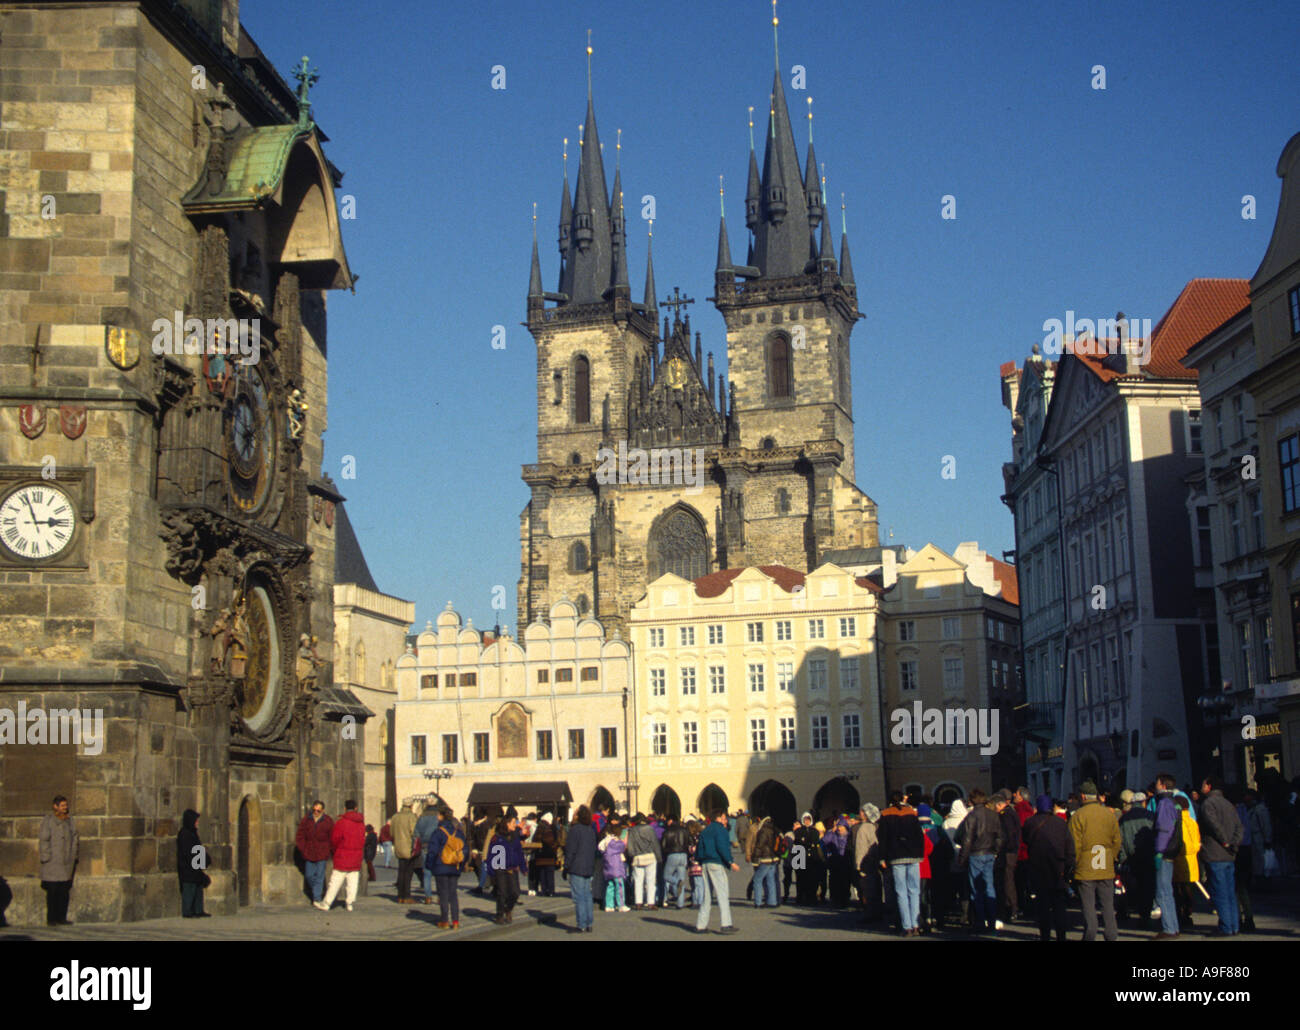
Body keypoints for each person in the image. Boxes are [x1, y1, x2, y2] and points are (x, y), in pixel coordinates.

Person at [1069, 780, 1121, 942]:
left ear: (1082, 796)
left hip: (1085, 866)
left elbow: (1074, 844)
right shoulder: (1109, 814)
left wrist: (1074, 864)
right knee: (1107, 904)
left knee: (1088, 905)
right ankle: (1111, 934)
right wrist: (1112, 856)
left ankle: (1090, 933)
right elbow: (1117, 840)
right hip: (1105, 864)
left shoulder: (1077, 816)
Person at [1022, 793, 1072, 941]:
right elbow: (1069, 847)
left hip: (1038, 868)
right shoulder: (1061, 823)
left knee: (1043, 905)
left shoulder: (1030, 823)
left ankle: (1045, 935)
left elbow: (1025, 840)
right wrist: (1069, 867)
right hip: (1058, 868)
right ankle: (1061, 936)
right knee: (1059, 906)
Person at [1199, 775, 1243, 937]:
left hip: (1214, 852)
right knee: (1230, 892)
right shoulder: (1228, 804)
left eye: (1203, 783)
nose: (1201, 786)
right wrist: (1234, 844)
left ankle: (1225, 926)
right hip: (1229, 855)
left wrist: (1225, 841)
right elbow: (1239, 826)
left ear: (1209, 786)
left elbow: (1212, 824)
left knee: (1219, 892)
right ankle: (1234, 925)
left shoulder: (1208, 804)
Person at [878, 790, 925, 936]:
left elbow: (883, 838)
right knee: (915, 891)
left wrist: (882, 857)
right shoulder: (911, 812)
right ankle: (916, 924)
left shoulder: (886, 814)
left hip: (896, 856)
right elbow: (919, 835)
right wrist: (920, 853)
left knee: (901, 892)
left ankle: (907, 926)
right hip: (913, 856)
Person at [955, 788, 1002, 933]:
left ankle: (980, 922)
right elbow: (1000, 836)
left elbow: (966, 839)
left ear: (972, 801)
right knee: (989, 887)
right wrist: (995, 851)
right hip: (989, 853)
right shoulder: (993, 815)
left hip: (976, 854)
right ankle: (992, 922)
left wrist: (962, 858)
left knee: (976, 890)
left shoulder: (972, 816)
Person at [315, 800, 365, 911]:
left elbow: (335, 839)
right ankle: (350, 903)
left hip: (342, 854)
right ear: (356, 808)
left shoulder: (341, 823)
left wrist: (335, 851)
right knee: (353, 880)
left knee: (336, 880)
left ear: (345, 808)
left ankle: (327, 903)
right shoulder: (361, 823)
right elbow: (362, 840)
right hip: (356, 855)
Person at [696, 809, 739, 934]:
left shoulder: (705, 830)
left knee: (706, 896)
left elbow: (699, 847)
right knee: (722, 893)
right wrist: (730, 862)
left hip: (705, 863)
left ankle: (701, 925)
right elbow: (722, 847)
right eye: (724, 818)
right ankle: (726, 924)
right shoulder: (720, 830)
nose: (726, 820)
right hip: (716, 862)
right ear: (718, 818)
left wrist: (700, 861)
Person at [1152, 773, 1183, 939]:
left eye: (1157, 783)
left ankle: (1168, 928)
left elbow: (1163, 829)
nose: (1155, 786)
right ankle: (1174, 926)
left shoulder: (1163, 803)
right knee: (1168, 891)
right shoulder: (1175, 802)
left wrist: (1158, 851)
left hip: (1164, 852)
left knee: (1162, 891)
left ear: (1163, 785)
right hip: (1173, 851)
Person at [1118, 791, 1155, 928]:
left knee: (1135, 887)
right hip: (1148, 856)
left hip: (1131, 858)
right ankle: (1145, 914)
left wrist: (1122, 858)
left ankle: (1139, 911)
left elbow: (1120, 842)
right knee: (1148, 886)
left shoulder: (1124, 818)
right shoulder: (1151, 816)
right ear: (1144, 802)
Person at [426, 807, 466, 929]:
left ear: (441, 816)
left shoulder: (438, 832)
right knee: (453, 894)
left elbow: (432, 851)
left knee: (443, 893)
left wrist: (429, 865)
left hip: (441, 866)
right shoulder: (458, 832)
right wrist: (461, 865)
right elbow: (465, 851)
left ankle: (444, 920)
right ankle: (455, 921)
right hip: (454, 866)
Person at [564, 805, 599, 932]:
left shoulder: (575, 830)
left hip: (576, 867)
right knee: (587, 896)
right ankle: (589, 923)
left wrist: (566, 867)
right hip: (588, 867)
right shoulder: (590, 830)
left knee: (579, 897)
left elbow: (570, 851)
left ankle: (582, 924)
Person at [488, 814, 526, 924]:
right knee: (502, 893)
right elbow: (492, 855)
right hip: (500, 869)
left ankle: (508, 909)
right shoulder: (497, 838)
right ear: (507, 824)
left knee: (515, 893)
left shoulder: (515, 837)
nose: (516, 825)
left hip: (512, 868)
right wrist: (491, 871)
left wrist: (523, 867)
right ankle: (499, 915)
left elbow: (519, 853)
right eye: (514, 823)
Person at [295, 799, 333, 906]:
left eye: (318, 811)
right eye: (314, 810)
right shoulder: (307, 820)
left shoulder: (328, 821)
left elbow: (332, 837)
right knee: (309, 875)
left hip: (322, 852)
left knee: (320, 875)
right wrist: (303, 848)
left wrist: (328, 849)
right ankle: (317, 890)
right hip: (309, 851)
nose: (316, 812)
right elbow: (300, 835)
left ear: (323, 811)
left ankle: (317, 898)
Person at [1172, 795, 1201, 929]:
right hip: (1192, 862)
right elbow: (1197, 843)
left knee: (1178, 892)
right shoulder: (1192, 822)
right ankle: (1188, 914)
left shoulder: (1176, 822)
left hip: (1179, 861)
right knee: (1189, 891)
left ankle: (1180, 915)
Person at [994, 789, 1022, 925]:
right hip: (1011, 851)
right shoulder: (1011, 812)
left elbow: (1008, 834)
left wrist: (1003, 848)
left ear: (999, 805)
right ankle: (1011, 908)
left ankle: (1011, 909)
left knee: (1007, 881)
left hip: (1008, 852)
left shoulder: (1006, 815)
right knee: (1008, 880)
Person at [176, 809, 210, 918]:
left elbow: (198, 848)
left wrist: (205, 859)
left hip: (196, 866)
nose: (197, 822)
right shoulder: (184, 834)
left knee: (198, 887)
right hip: (188, 867)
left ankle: (198, 909)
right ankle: (188, 911)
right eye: (195, 820)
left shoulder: (193, 833)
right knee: (189, 888)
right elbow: (188, 852)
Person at [853, 805, 883, 923]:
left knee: (867, 889)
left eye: (862, 811)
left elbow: (860, 848)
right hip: (876, 862)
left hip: (866, 862)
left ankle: (870, 914)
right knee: (876, 888)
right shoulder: (876, 826)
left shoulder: (864, 828)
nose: (860, 813)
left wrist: (858, 865)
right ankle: (878, 911)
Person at [746, 813, 780, 907]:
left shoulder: (763, 830)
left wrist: (755, 857)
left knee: (757, 879)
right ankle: (772, 902)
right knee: (771, 879)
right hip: (774, 858)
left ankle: (758, 902)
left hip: (765, 858)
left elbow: (759, 846)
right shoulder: (774, 829)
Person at [390, 801, 419, 904]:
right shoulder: (411, 817)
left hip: (398, 847)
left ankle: (400, 896)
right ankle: (406, 895)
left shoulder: (395, 816)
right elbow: (414, 832)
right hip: (409, 848)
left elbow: (391, 832)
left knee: (401, 872)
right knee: (408, 873)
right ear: (411, 806)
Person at [598, 819, 629, 912]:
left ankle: (609, 905)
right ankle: (621, 905)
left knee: (610, 886)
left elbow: (600, 847)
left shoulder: (605, 841)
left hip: (607, 866)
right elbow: (622, 847)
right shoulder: (616, 842)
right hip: (616, 867)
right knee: (619, 886)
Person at [792, 812, 823, 905]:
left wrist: (806, 842)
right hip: (801, 857)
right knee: (801, 879)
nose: (807, 821)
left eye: (808, 820)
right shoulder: (798, 831)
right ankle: (800, 897)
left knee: (813, 879)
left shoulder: (815, 831)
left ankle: (812, 898)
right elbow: (798, 843)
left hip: (812, 858)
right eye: (805, 820)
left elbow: (814, 842)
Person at [661, 814, 690, 908]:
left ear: (671, 821)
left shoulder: (667, 831)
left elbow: (663, 846)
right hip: (684, 855)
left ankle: (676, 882)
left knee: (666, 876)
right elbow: (688, 843)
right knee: (682, 878)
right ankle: (680, 903)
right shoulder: (684, 831)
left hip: (672, 854)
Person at [413, 802, 439, 904]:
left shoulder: (422, 818)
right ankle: (440, 896)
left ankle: (428, 897)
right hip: (437, 845)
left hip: (425, 846)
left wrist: (422, 838)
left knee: (427, 873)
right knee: (438, 872)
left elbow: (416, 832)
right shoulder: (438, 817)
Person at [532, 812, 559, 897]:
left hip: (540, 854)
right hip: (548, 854)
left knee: (542, 873)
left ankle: (544, 890)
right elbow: (550, 841)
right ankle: (550, 891)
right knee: (549, 873)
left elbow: (534, 839)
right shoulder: (547, 828)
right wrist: (555, 847)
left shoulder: (539, 827)